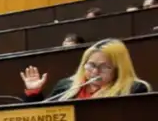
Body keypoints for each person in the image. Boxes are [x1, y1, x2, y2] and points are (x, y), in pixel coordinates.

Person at [21, 38, 150, 101]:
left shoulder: (133, 90)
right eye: (91, 65)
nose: (95, 72)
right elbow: (43, 117)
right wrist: (34, 92)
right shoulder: (66, 86)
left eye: (104, 67)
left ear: (119, 69)